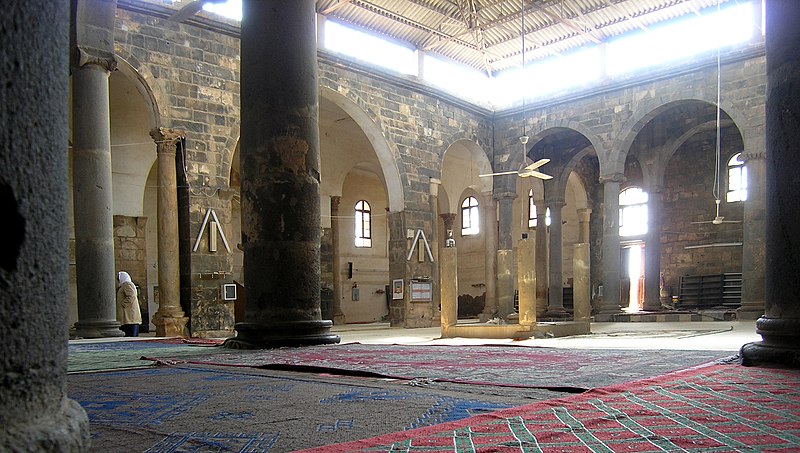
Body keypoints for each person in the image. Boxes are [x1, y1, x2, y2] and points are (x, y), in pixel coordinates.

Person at [116, 271, 142, 337]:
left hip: (129, 316)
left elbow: (131, 296)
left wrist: (123, 304)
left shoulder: (127, 284)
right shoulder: (124, 285)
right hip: (127, 317)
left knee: (130, 335)